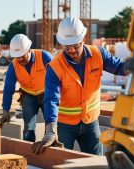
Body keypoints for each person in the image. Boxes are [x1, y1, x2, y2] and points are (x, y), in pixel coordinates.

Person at [32, 16, 127, 155]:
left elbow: (119, 67)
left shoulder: (98, 54)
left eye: (75, 45)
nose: (71, 50)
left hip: (90, 122)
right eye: (67, 46)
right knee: (61, 161)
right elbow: (51, 99)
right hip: (65, 125)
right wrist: (51, 130)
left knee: (96, 163)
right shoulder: (55, 67)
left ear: (83, 39)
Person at [0, 34, 53, 142]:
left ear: (29, 50)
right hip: (28, 96)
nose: (19, 59)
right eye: (17, 57)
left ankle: (49, 151)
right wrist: (6, 110)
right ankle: (29, 153)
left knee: (50, 127)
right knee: (28, 129)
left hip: (47, 95)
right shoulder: (13, 66)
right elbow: (8, 88)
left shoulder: (44, 57)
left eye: (22, 55)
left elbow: (59, 76)